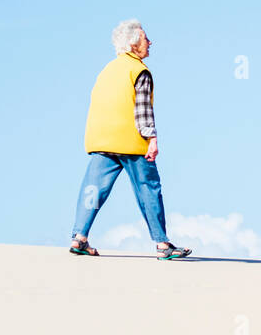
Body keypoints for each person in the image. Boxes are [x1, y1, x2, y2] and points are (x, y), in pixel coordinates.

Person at [69, 19, 191, 260]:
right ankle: (163, 244)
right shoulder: (139, 71)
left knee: (93, 190)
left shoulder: (106, 70)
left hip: (102, 140)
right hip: (131, 140)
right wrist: (152, 139)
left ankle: (79, 238)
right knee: (148, 189)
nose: (150, 42)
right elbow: (143, 109)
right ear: (134, 44)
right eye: (146, 38)